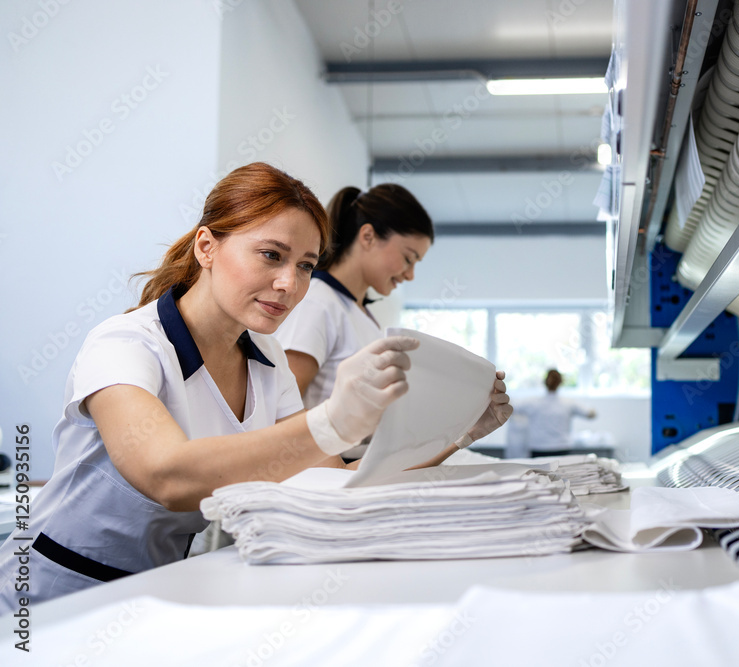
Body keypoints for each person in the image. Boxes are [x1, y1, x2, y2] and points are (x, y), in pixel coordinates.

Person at [0, 163, 511, 612]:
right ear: (207, 246)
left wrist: (454, 434)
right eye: (271, 255)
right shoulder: (125, 343)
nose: (290, 284)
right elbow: (163, 475)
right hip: (53, 590)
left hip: (156, 587)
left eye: (306, 266)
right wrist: (331, 421)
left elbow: (336, 479)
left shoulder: (266, 360)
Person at [276, 183, 504, 463]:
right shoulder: (318, 303)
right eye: (409, 258)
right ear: (368, 236)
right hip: (328, 470)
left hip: (358, 465)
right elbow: (282, 409)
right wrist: (335, 472)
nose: (410, 275)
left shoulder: (360, 314)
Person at [520, 369, 596, 457]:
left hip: (539, 448)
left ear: (545, 382)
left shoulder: (533, 402)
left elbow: (512, 407)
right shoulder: (568, 403)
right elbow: (590, 414)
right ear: (560, 382)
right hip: (561, 448)